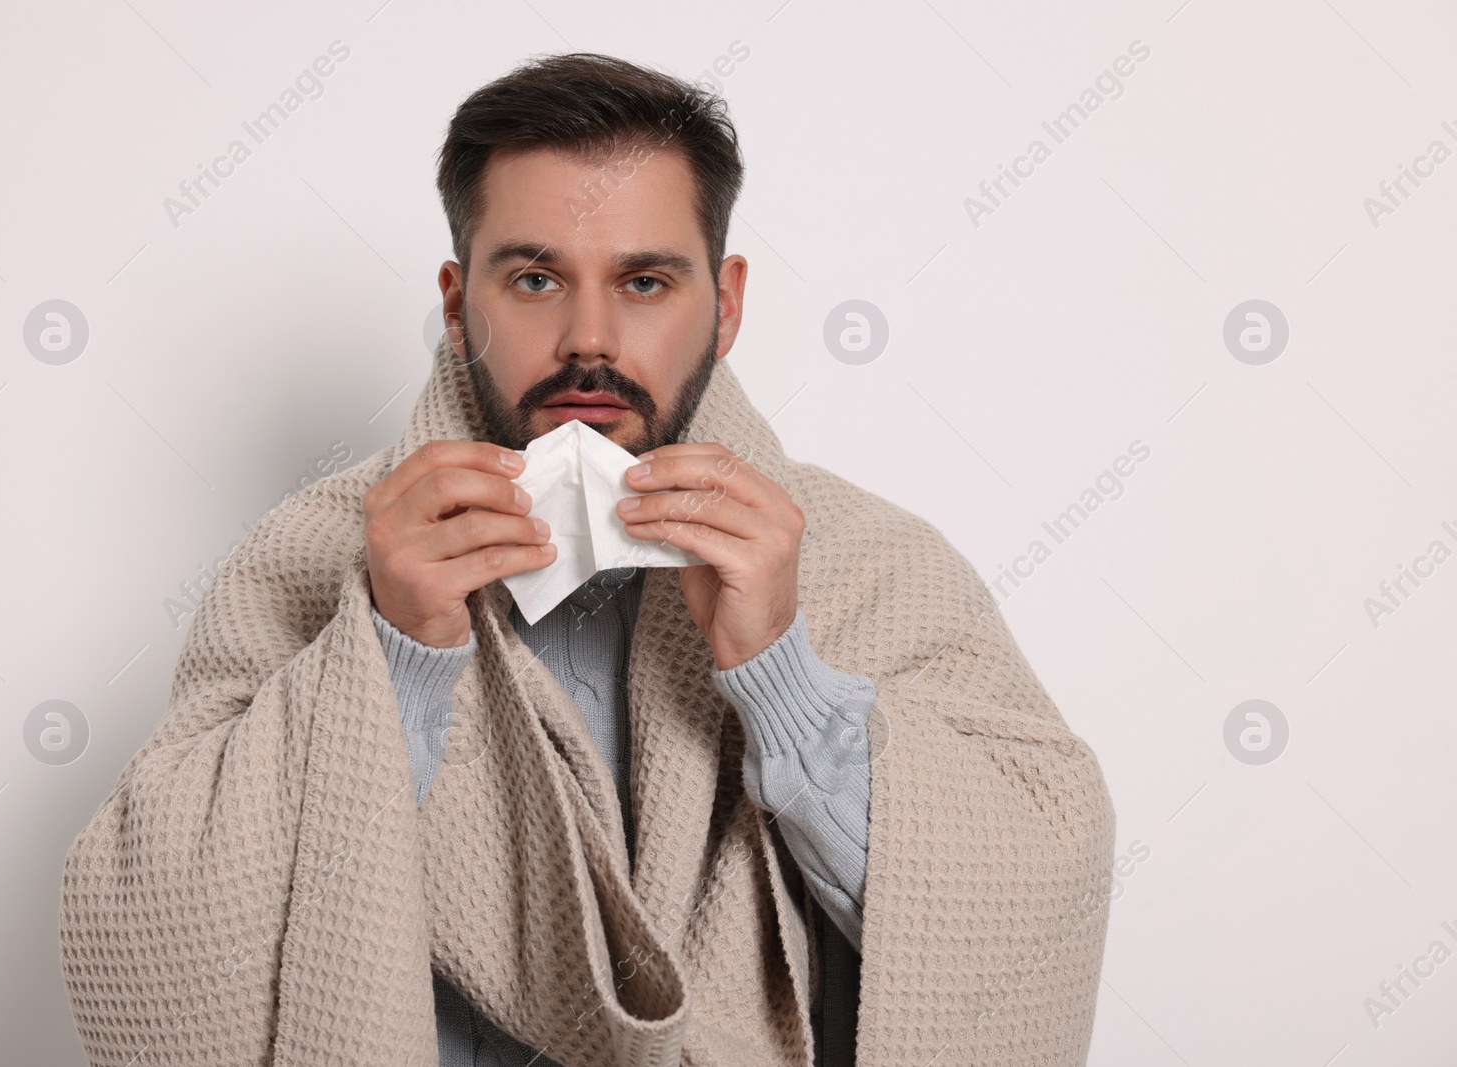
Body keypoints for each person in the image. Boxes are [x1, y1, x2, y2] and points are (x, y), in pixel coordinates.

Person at [59, 53, 1116, 1067]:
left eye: (646, 280)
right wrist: (387, 661)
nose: (588, 338)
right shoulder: (312, 551)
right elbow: (158, 915)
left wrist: (783, 674)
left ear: (728, 303)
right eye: (532, 278)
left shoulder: (869, 558)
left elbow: (1020, 899)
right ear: (457, 296)